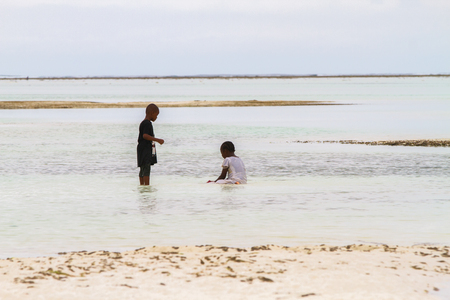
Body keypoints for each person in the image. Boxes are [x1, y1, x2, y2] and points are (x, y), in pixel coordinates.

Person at [137, 104, 164, 185]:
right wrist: (157, 140)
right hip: (145, 149)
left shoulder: (143, 123)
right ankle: (147, 186)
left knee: (143, 168)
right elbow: (145, 135)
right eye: (156, 115)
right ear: (152, 113)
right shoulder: (147, 123)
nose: (156, 117)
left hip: (141, 149)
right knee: (146, 168)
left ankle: (142, 186)